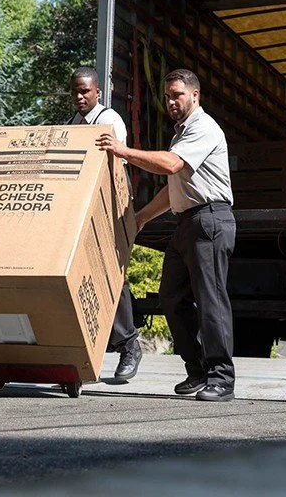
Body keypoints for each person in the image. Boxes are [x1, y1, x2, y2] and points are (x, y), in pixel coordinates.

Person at [95, 69, 236, 402]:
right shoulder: (181, 135)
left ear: (195, 95)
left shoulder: (203, 128)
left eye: (178, 95)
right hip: (187, 222)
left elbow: (171, 166)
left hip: (210, 220)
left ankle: (222, 378)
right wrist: (142, 217)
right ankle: (198, 370)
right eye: (169, 96)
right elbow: (174, 186)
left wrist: (123, 151)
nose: (172, 101)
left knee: (211, 301)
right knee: (170, 297)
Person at [67, 66, 142, 381]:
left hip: (108, 208)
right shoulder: (71, 124)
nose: (80, 97)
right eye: (75, 92)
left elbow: (109, 164)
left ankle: (129, 345)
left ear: (98, 91)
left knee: (112, 275)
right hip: (78, 209)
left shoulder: (109, 121)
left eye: (85, 91)